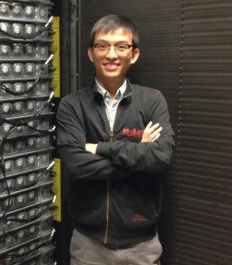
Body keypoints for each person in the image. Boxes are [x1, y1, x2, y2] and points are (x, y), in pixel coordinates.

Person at [56, 14, 175, 265]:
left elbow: (160, 157)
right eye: (102, 46)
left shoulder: (152, 101)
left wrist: (100, 148)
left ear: (134, 54)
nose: (111, 54)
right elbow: (76, 165)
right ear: (91, 53)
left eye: (121, 46)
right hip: (88, 243)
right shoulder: (72, 106)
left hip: (142, 244)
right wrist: (137, 155)